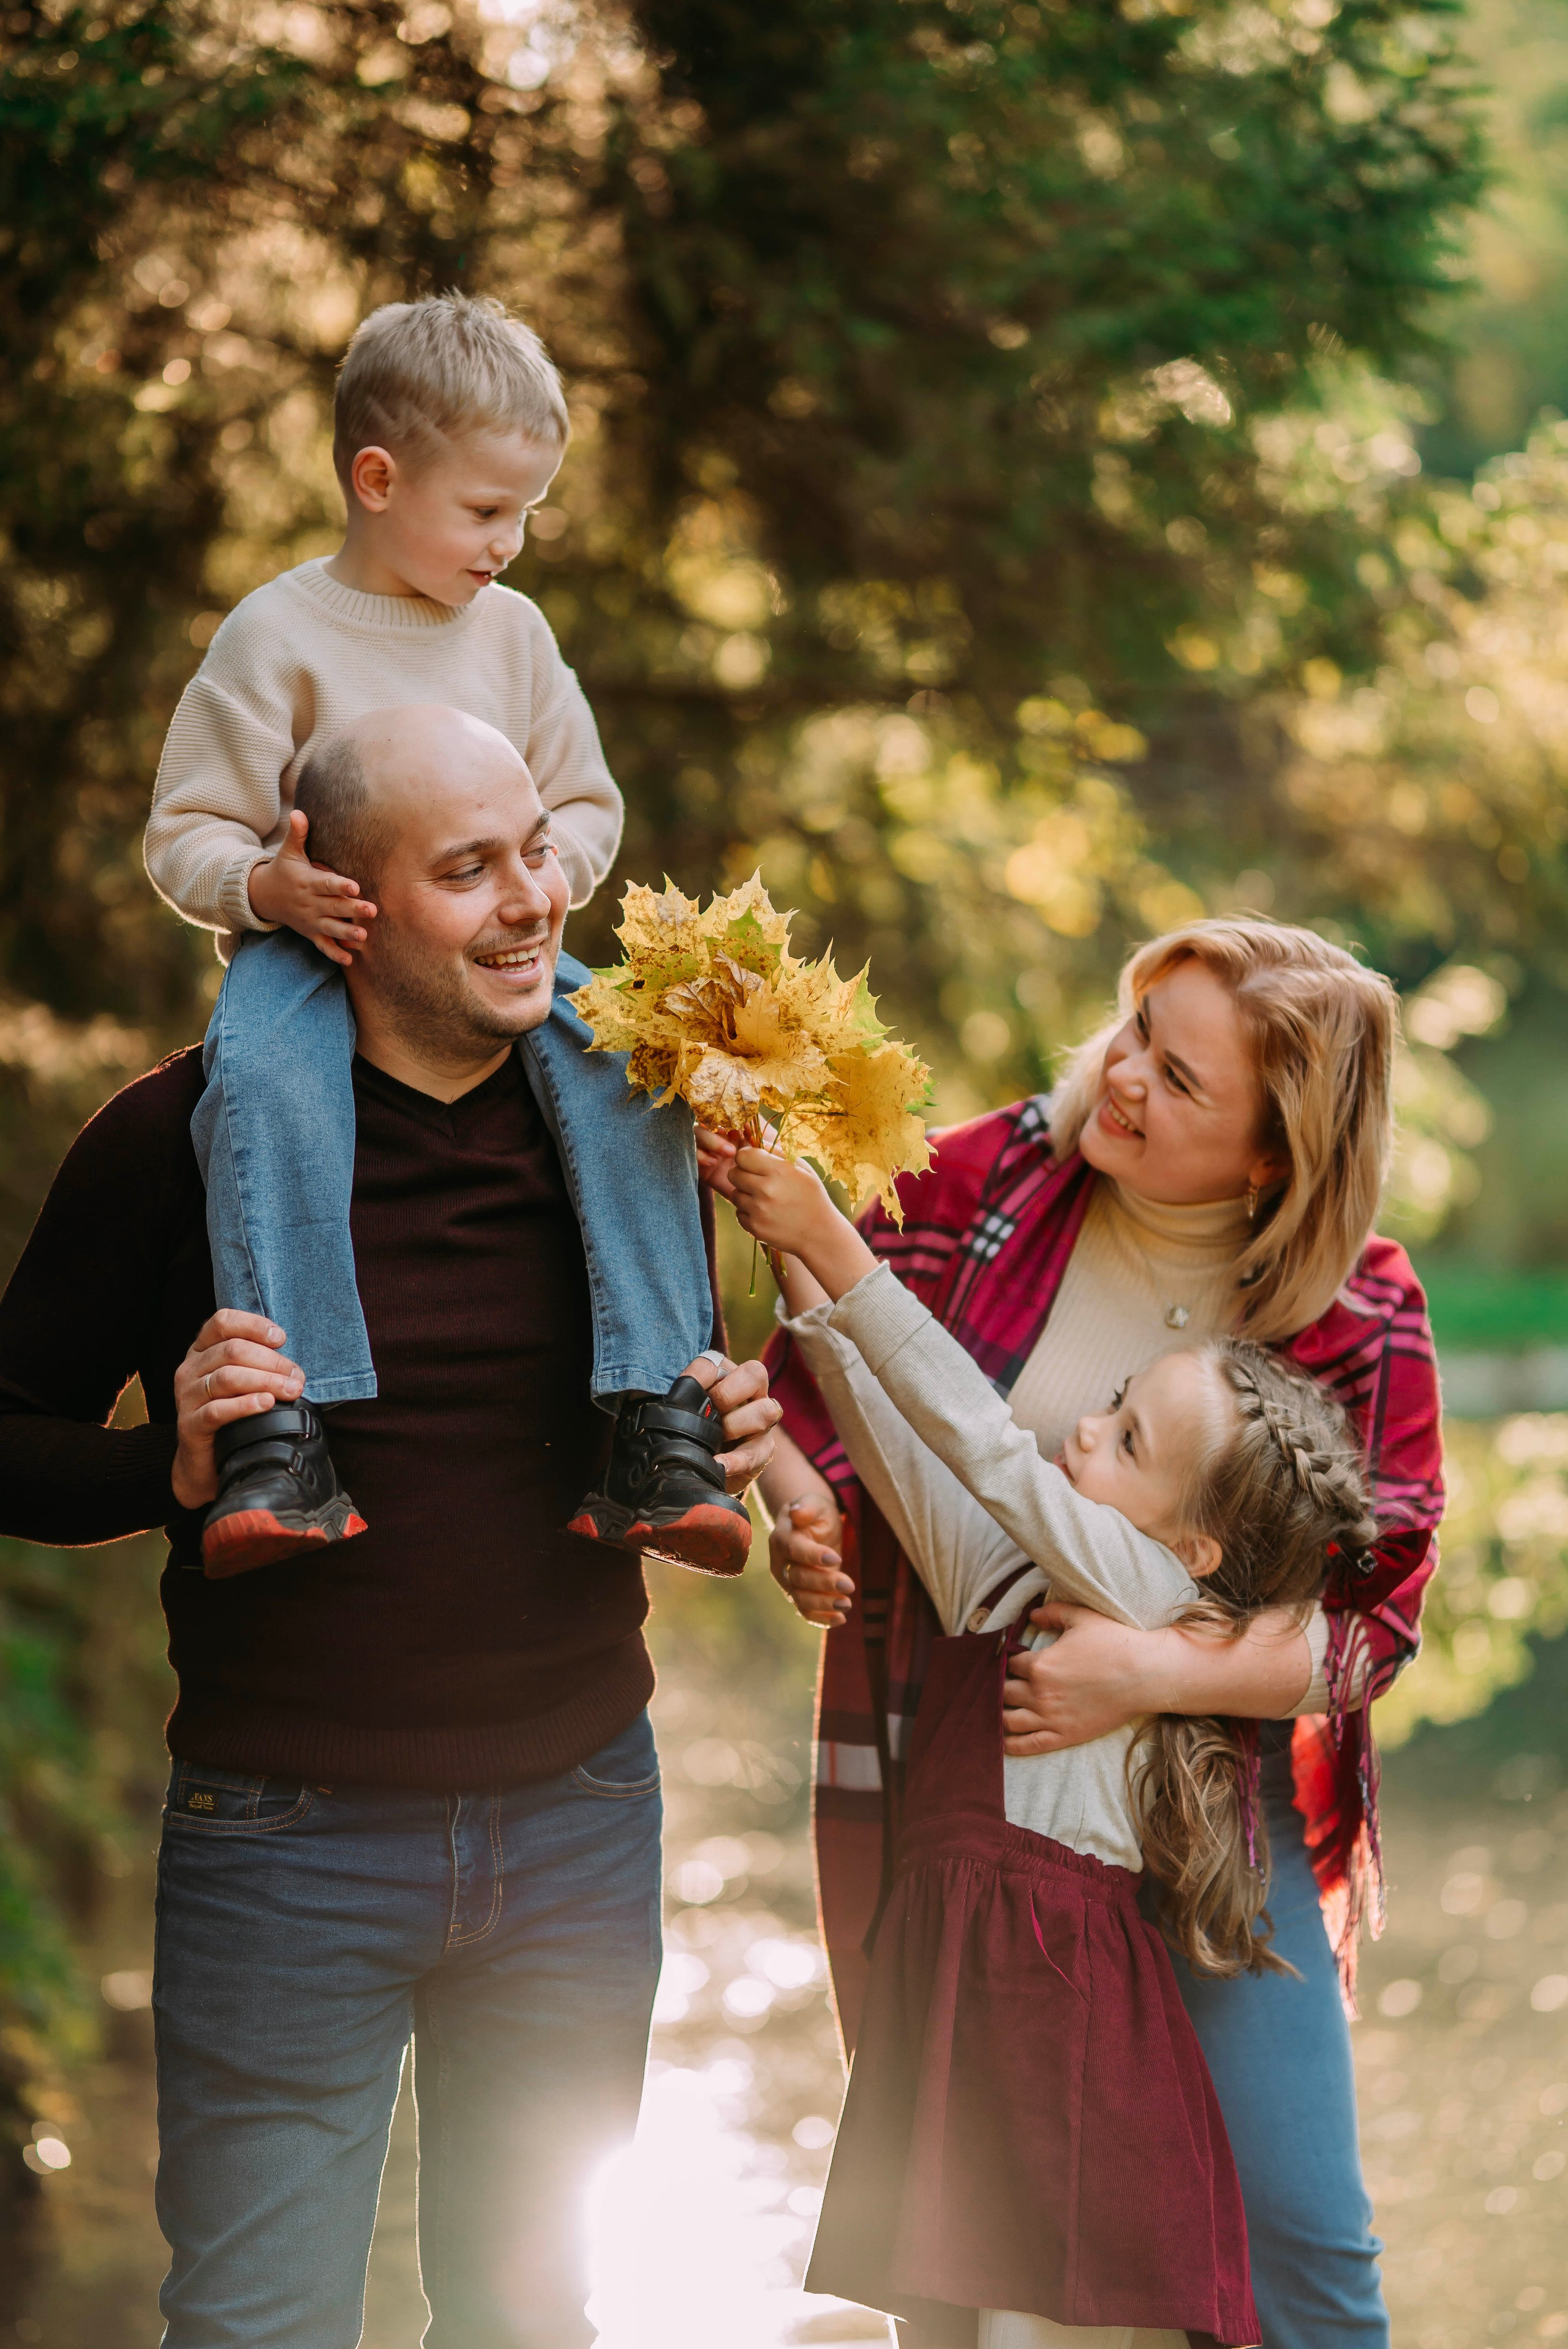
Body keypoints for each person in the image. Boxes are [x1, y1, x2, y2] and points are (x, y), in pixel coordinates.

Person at [0, 710, 780, 2346]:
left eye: (536, 851)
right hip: (284, 1845)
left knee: (525, 2322)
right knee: (256, 2329)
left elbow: (677, 1404)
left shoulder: (632, 1139)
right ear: (340, 903)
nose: (534, 899)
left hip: (577, 1821)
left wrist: (740, 1433)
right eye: (466, 870)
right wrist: (176, 1467)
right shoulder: (181, 1140)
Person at [737, 919, 1444, 2349]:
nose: (1119, 1077)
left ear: (1270, 1157)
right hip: (965, 1753)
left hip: (1211, 1796)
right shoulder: (976, 1178)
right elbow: (831, 1402)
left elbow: (1370, 1626)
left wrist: (1154, 1667)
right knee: (952, 2230)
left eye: (1178, 1080)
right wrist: (787, 1487)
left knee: (1298, 2232)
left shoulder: (1356, 1309)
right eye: (1133, 1031)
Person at [142, 290, 748, 1577]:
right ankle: (282, 1429)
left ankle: (654, 1414)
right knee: (254, 1086)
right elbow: (181, 834)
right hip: (312, 964)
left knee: (634, 1071)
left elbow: (584, 800)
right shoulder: (278, 635)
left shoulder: (513, 636)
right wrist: (268, 891)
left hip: (495, 963)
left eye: (527, 512)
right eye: (485, 512)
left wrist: (526, 885)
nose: (509, 544)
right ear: (377, 477)